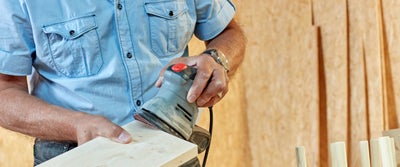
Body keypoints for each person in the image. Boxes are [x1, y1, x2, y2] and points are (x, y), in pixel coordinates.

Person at [0, 0, 246, 165]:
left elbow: (227, 32)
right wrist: (76, 125)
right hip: (77, 156)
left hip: (172, 151)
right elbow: (4, 92)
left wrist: (217, 60)